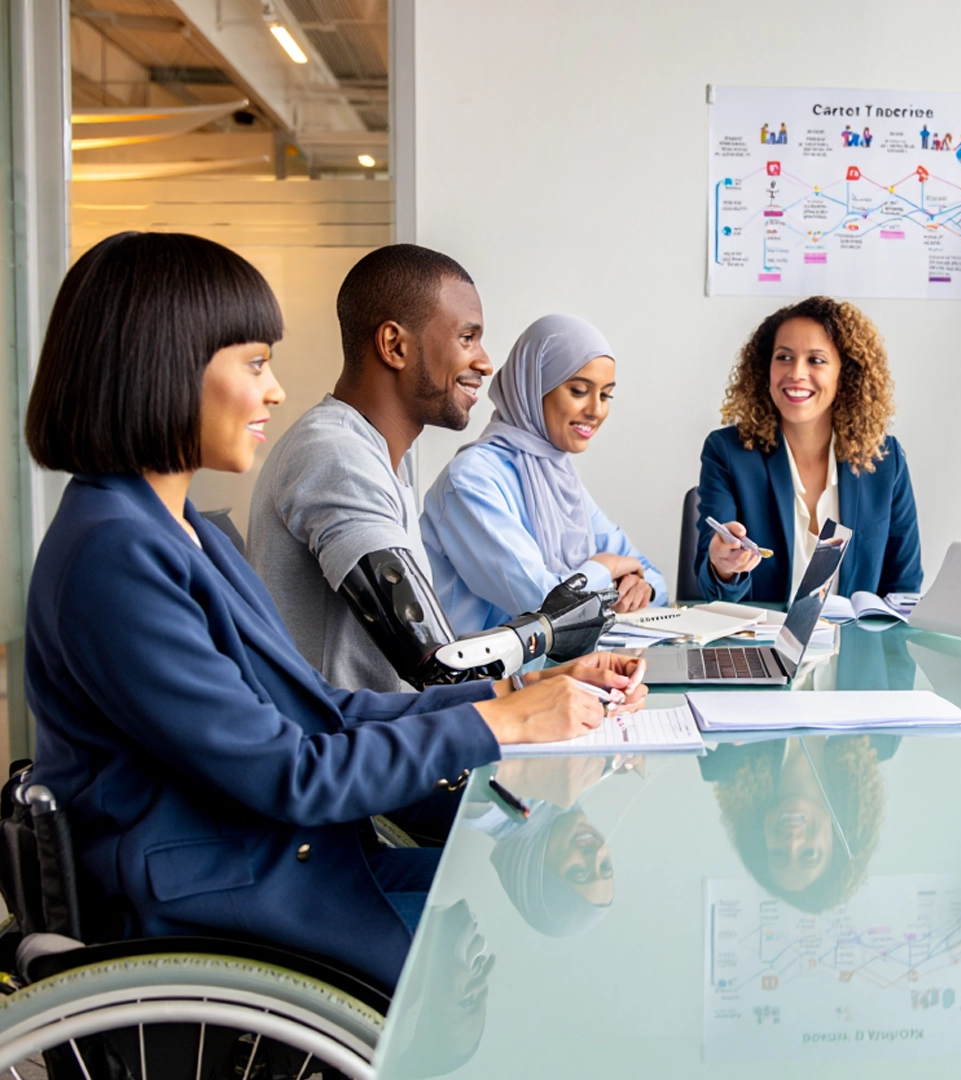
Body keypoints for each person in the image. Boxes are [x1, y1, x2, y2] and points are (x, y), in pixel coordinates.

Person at [22, 231, 648, 990]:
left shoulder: (183, 532)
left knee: (515, 900)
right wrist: (504, 720)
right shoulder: (114, 555)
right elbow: (289, 772)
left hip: (272, 858)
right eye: (255, 364)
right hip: (222, 900)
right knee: (537, 955)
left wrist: (513, 695)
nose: (276, 390)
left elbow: (320, 709)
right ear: (164, 367)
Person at [249, 243, 496, 693]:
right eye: (467, 338)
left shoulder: (373, 456)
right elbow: (436, 665)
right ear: (394, 346)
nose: (485, 362)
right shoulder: (338, 455)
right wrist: (550, 638)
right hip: (347, 750)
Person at [424, 314, 667, 632]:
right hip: (481, 679)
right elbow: (542, 606)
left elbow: (655, 580)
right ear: (533, 388)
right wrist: (607, 568)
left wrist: (640, 585)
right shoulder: (472, 480)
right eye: (579, 390)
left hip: (549, 671)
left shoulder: (558, 478)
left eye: (605, 395)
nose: (596, 410)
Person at [695, 295, 922, 603]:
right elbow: (713, 592)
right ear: (766, 368)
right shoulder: (728, 453)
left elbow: (904, 586)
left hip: (853, 647)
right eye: (784, 357)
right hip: (759, 644)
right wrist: (723, 567)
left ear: (846, 373)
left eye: (816, 360)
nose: (796, 373)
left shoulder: (884, 460)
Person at [701, 735, 894, 912]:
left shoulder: (724, 760)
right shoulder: (879, 739)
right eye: (809, 854)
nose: (793, 842)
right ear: (838, 841)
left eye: (778, 854)